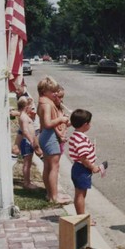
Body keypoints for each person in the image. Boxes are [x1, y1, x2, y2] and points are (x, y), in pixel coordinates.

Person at [68, 109, 107, 222]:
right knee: (80, 195)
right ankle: (82, 219)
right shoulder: (81, 139)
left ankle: (81, 216)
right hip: (82, 169)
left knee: (80, 193)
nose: (90, 125)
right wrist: (92, 167)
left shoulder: (75, 135)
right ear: (85, 124)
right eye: (89, 123)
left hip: (78, 168)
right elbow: (83, 158)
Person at [37, 76, 71, 204]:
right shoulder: (46, 104)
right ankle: (54, 197)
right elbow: (47, 123)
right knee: (54, 167)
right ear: (44, 91)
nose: (55, 93)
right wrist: (61, 119)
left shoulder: (43, 101)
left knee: (48, 166)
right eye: (53, 91)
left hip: (45, 136)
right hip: (49, 136)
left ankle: (50, 193)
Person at [17, 96, 42, 189]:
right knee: (27, 163)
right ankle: (27, 183)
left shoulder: (25, 115)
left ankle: (27, 181)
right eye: (30, 106)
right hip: (27, 141)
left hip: (29, 140)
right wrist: (31, 140)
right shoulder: (23, 117)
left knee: (29, 162)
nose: (32, 108)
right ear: (26, 106)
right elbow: (25, 131)